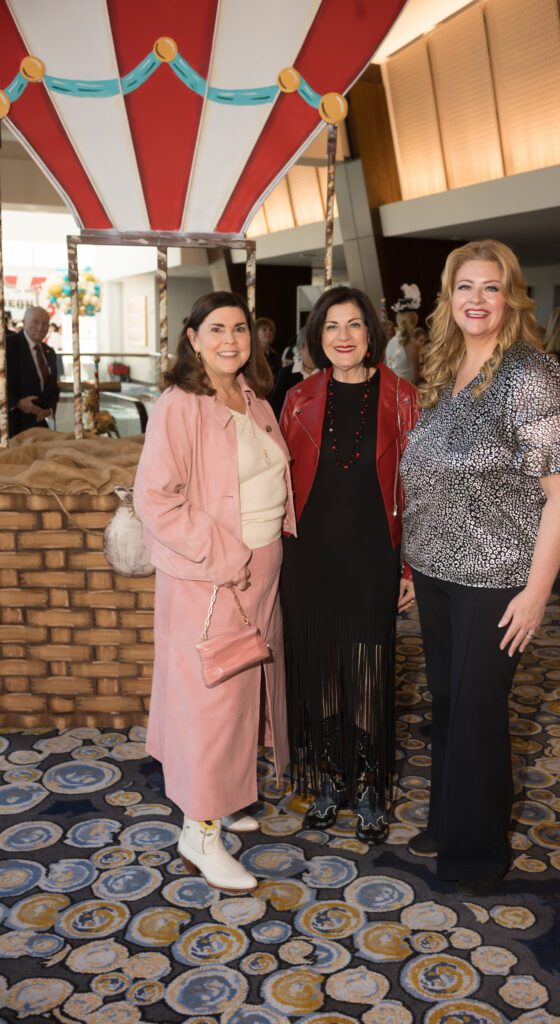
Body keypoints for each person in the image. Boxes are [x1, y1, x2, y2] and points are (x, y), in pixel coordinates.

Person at [400, 240, 560, 895]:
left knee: (479, 712)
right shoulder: (442, 365)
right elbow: (428, 476)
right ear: (448, 298)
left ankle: (476, 854)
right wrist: (410, 564)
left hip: (496, 579)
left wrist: (538, 592)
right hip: (434, 572)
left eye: (490, 287)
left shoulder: (530, 374)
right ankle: (448, 822)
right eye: (465, 287)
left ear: (510, 297)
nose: (476, 300)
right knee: (451, 706)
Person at [134, 291, 295, 893]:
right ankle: (198, 832)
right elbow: (155, 499)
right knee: (213, 700)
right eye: (217, 329)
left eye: (240, 329)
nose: (231, 339)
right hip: (212, 576)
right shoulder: (180, 404)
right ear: (192, 339)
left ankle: (222, 798)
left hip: (260, 572)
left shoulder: (251, 399)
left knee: (244, 691)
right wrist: (225, 555)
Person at [280, 285, 418, 843]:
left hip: (372, 558)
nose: (343, 336)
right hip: (309, 559)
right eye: (332, 326)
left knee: (367, 674)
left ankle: (369, 786)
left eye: (354, 325)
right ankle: (332, 779)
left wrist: (409, 569)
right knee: (321, 673)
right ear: (317, 336)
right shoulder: (297, 397)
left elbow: (420, 491)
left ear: (371, 334)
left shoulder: (402, 397)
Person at [7, 305, 60, 437]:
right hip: (10, 425)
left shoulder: (49, 352)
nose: (41, 327)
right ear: (24, 323)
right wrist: (17, 403)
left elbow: (53, 387)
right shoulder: (7, 346)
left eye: (45, 323)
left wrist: (50, 410)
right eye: (35, 322)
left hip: (39, 425)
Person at [269, 331, 318, 419]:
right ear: (301, 348)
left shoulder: (327, 373)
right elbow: (277, 407)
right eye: (312, 346)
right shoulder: (286, 373)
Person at [385, 309, 420, 383]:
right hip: (405, 390)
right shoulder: (409, 345)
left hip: (390, 387)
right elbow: (415, 378)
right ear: (414, 322)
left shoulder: (390, 342)